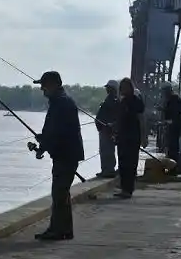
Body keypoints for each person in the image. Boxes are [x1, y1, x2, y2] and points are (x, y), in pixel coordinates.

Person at [32, 71, 84, 240]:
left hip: (65, 155)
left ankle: (57, 230)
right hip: (67, 153)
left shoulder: (61, 103)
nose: (42, 89)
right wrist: (44, 141)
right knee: (62, 193)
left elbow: (56, 132)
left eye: (44, 85)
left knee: (59, 193)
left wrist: (43, 146)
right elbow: (54, 131)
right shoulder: (61, 102)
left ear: (53, 85)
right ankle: (64, 230)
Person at [114, 78, 146, 199]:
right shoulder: (123, 102)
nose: (122, 90)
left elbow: (141, 119)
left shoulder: (136, 102)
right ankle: (124, 188)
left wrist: (144, 137)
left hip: (132, 137)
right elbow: (120, 120)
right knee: (122, 163)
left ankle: (128, 189)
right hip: (122, 137)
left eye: (124, 87)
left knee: (130, 164)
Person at [95, 80, 120, 178]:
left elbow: (118, 116)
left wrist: (112, 125)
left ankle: (109, 170)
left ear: (113, 89)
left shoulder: (115, 101)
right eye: (107, 87)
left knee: (108, 150)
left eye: (108, 87)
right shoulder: (108, 99)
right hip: (103, 129)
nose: (107, 89)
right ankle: (105, 169)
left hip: (108, 130)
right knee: (103, 150)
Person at [160, 83, 181, 175]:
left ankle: (173, 169)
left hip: (175, 126)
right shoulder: (171, 99)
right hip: (173, 125)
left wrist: (167, 119)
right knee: (170, 148)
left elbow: (174, 114)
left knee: (173, 148)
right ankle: (171, 168)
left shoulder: (174, 99)